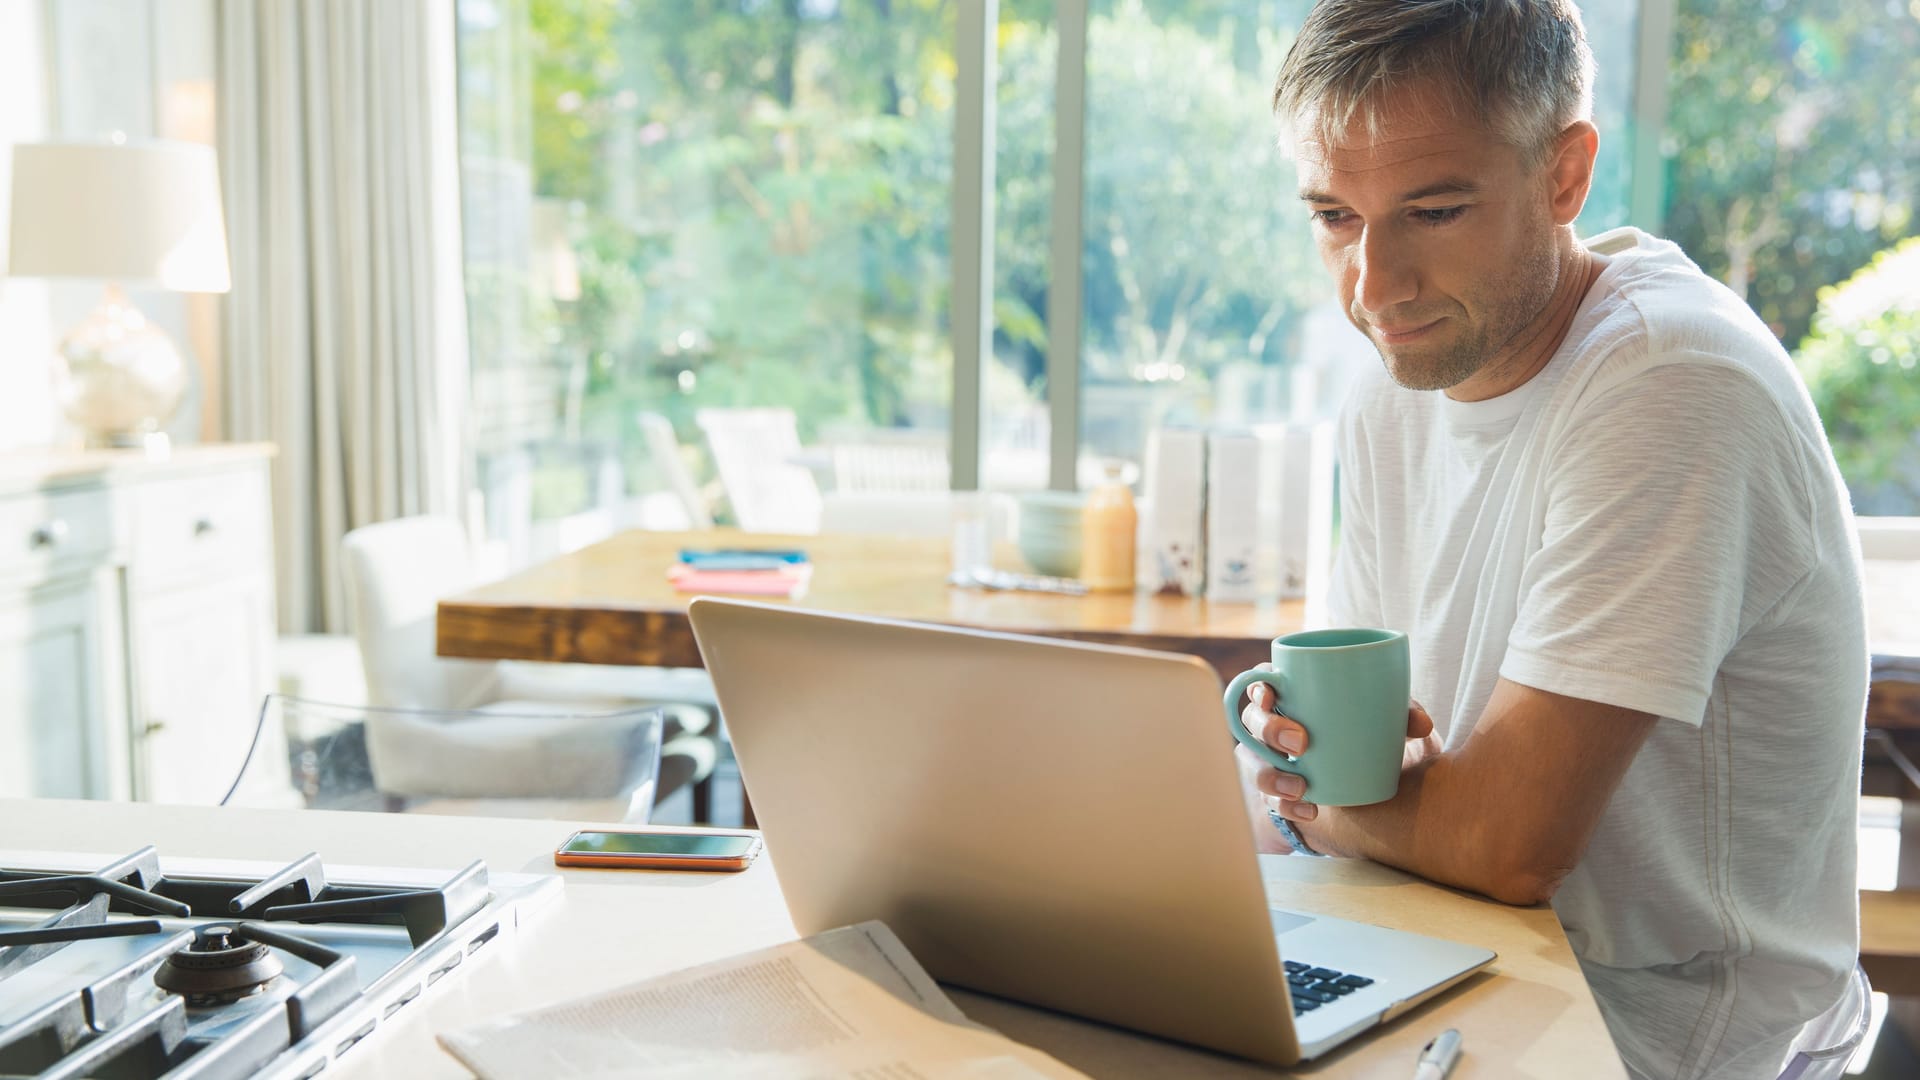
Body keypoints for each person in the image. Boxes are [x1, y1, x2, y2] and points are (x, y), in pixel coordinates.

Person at [1235, 3, 1868, 1078]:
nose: (1374, 288)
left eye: (1433, 211)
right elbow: (1356, 767)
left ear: (1564, 175)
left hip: (1678, 1036)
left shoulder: (1674, 382)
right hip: (1459, 958)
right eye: (1337, 217)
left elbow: (1505, 846)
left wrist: (1328, 813)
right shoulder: (1397, 386)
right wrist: (1309, 773)